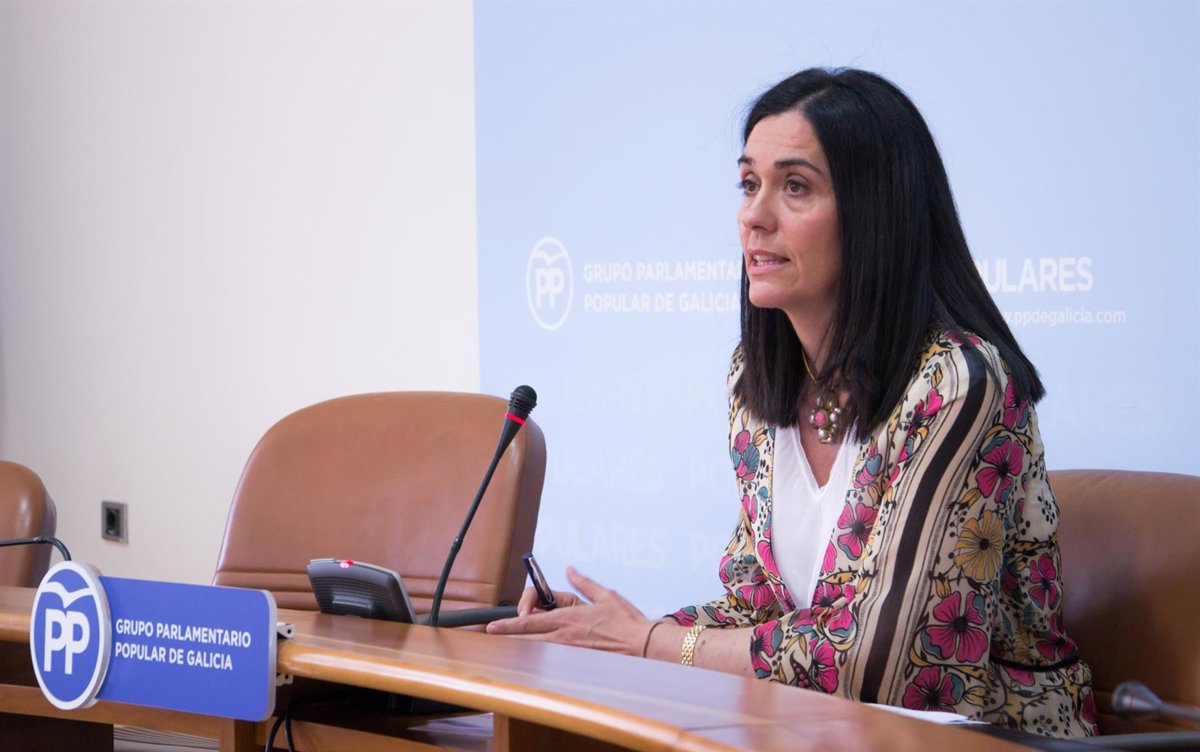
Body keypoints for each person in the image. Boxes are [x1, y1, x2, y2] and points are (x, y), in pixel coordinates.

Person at [487, 67, 1097, 739]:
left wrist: (650, 641)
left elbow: (887, 663)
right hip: (824, 733)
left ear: (874, 213)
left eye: (795, 186)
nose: (754, 215)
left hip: (984, 739)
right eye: (749, 183)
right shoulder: (756, 382)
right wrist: (603, 631)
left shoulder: (957, 383)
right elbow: (757, 613)